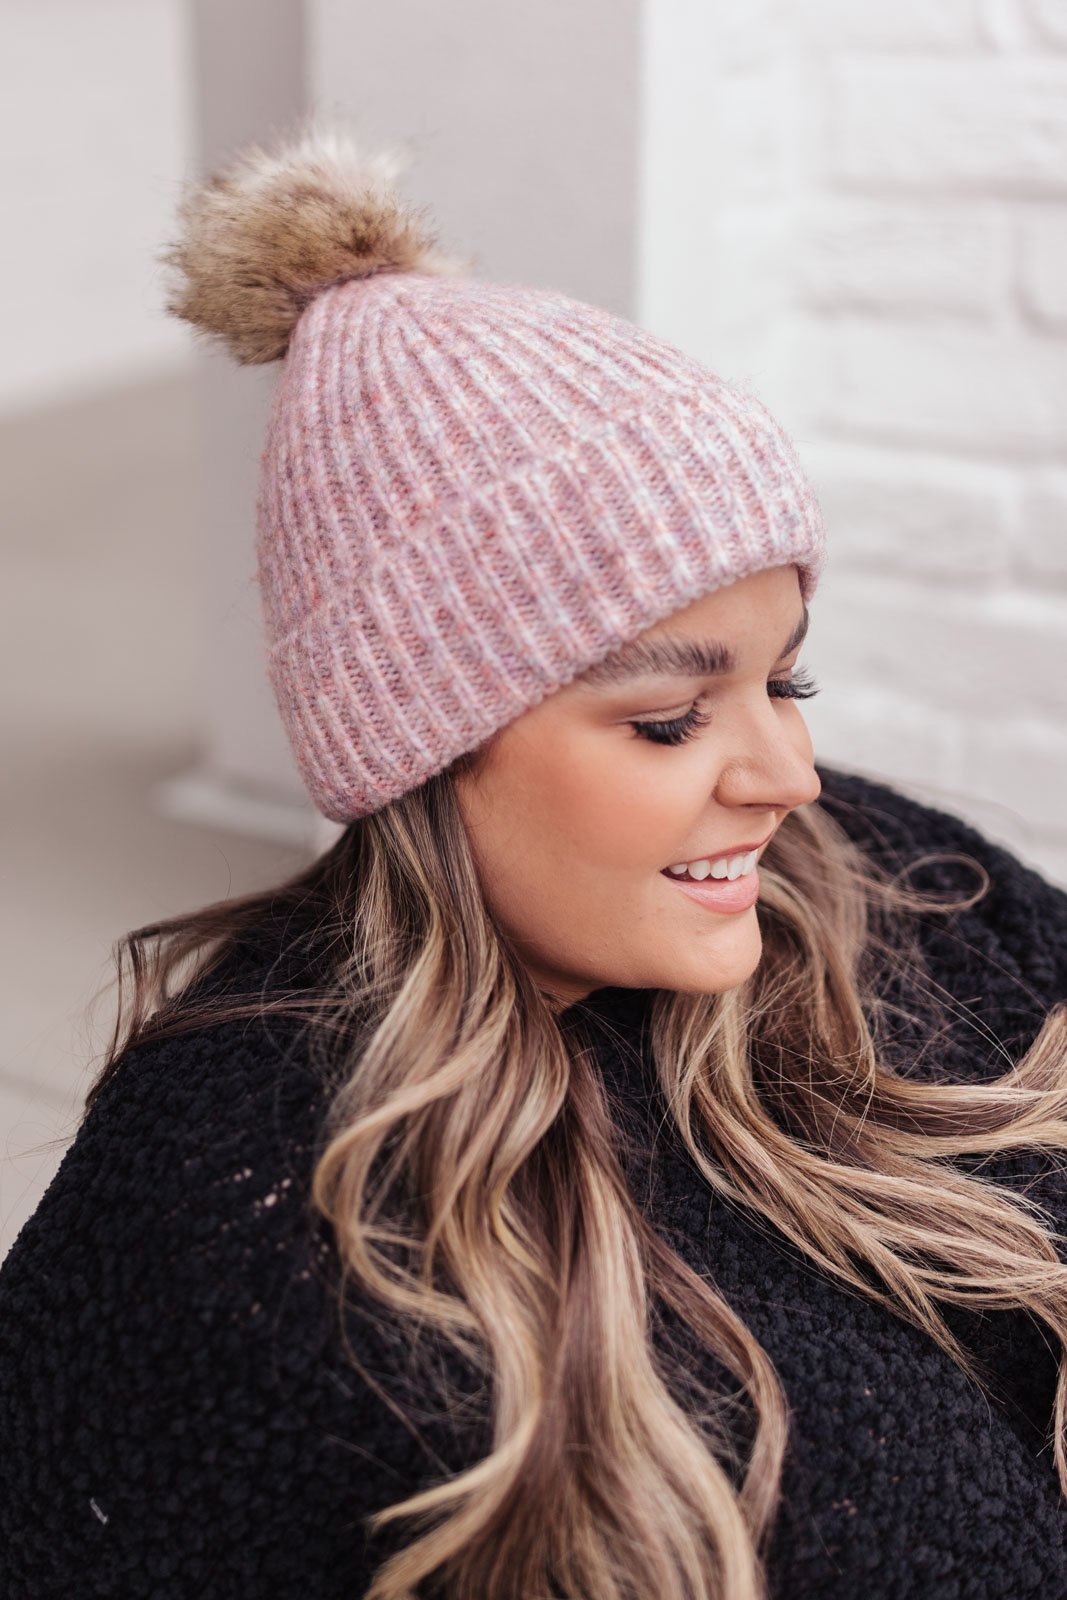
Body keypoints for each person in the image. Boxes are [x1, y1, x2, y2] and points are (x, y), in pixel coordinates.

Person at [1, 120, 1066, 1600]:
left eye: (787, 682)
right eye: (673, 721)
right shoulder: (252, 1220)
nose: (791, 777)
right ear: (424, 744)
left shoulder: (881, 881)